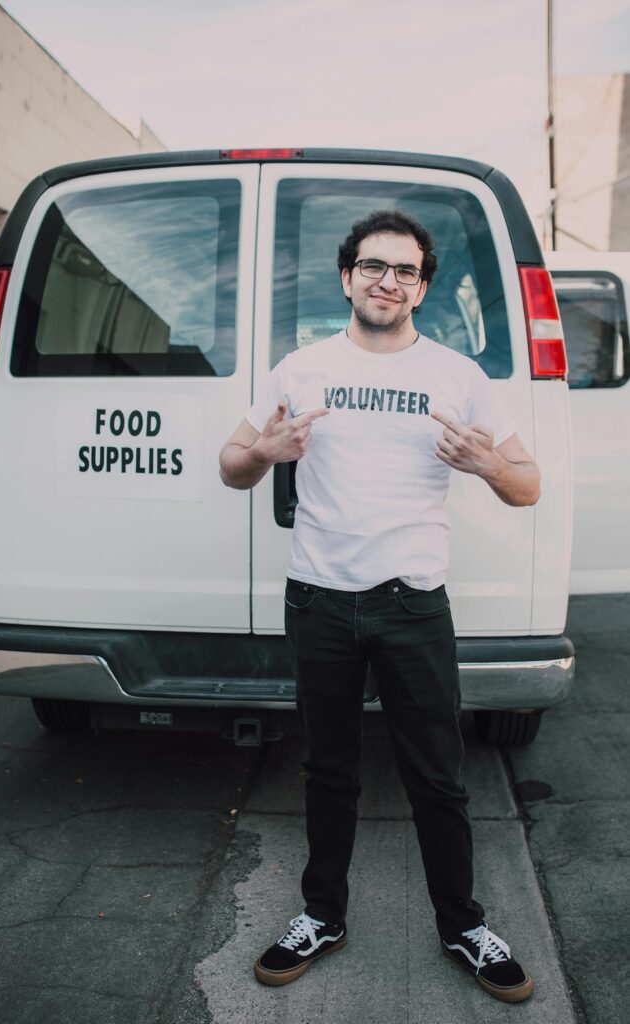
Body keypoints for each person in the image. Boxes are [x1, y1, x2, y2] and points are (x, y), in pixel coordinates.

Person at [218, 209, 540, 1003]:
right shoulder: (299, 368)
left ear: (421, 287)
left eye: (403, 270)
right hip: (321, 602)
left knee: (437, 776)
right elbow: (231, 463)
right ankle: (321, 915)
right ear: (346, 276)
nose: (386, 281)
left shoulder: (458, 376)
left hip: (412, 604)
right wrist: (265, 452)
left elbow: (527, 484)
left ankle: (461, 924)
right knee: (328, 769)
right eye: (373, 266)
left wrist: (483, 466)